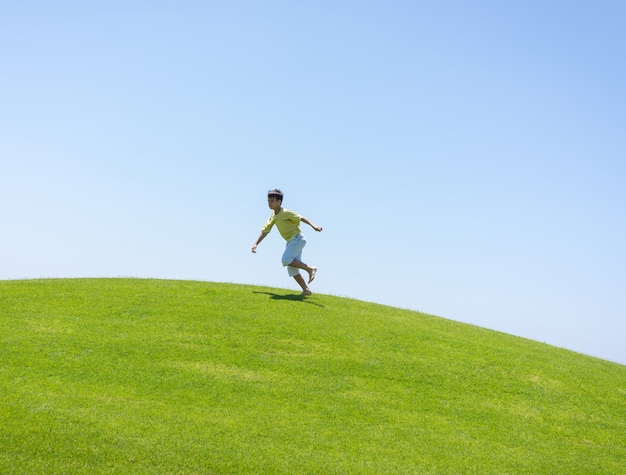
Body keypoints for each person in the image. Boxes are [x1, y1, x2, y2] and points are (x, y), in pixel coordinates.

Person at [252, 189, 323, 296]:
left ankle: (310, 269)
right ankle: (306, 290)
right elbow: (265, 231)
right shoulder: (273, 216)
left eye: (272, 200)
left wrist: (314, 226)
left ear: (279, 202)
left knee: (285, 259)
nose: (269, 203)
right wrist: (256, 244)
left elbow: (301, 218)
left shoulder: (285, 212)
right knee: (292, 269)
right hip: (292, 241)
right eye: (268, 200)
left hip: (298, 239)